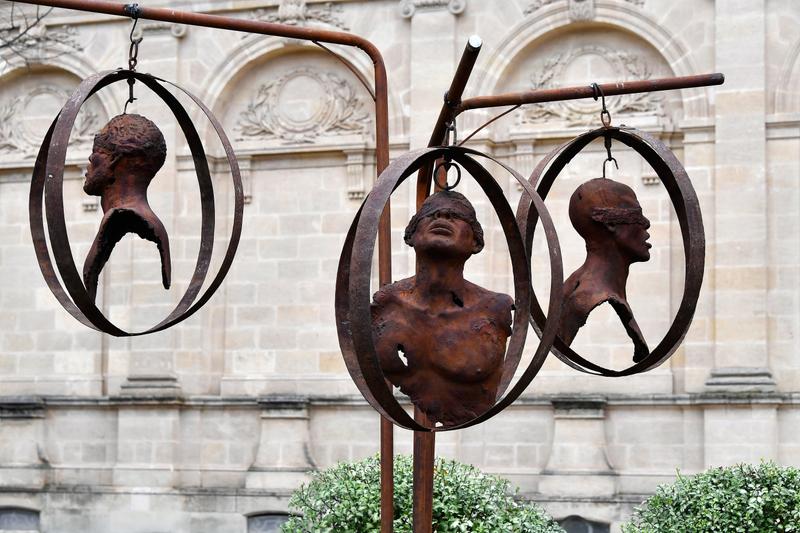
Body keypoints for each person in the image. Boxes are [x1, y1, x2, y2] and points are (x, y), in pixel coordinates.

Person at [371, 191, 514, 426]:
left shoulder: (496, 309)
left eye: (457, 216)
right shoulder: (385, 304)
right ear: (410, 236)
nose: (443, 216)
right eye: (431, 214)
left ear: (476, 243)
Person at [559, 178, 651, 362]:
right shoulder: (583, 297)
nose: (646, 223)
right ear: (610, 224)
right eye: (636, 215)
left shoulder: (577, 286)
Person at [82, 113, 170, 302]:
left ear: (114, 162)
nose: (87, 166)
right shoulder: (154, 223)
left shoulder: (121, 216)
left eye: (94, 158)